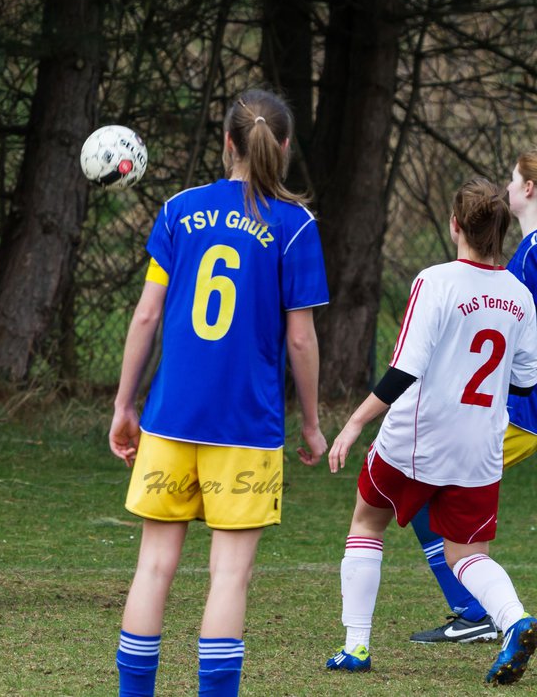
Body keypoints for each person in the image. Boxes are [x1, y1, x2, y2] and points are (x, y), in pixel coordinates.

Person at [110, 89, 329, 697]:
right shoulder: (295, 225)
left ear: (227, 143)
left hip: (170, 419)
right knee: (228, 577)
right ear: (283, 149)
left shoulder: (180, 210)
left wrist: (125, 405)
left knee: (154, 568)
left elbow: (147, 316)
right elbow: (302, 341)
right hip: (247, 428)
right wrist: (311, 424)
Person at [326, 177, 537, 685]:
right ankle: (516, 621)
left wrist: (354, 422)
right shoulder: (519, 294)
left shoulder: (435, 281)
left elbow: (404, 371)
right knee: (468, 553)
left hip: (417, 440)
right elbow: (527, 385)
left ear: (455, 225)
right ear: (502, 229)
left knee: (367, 522)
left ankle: (356, 646)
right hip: (479, 447)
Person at [405, 150, 537, 645]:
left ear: (527, 190)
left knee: (426, 488)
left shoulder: (530, 257)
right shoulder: (525, 253)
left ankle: (476, 612)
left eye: (513, 177)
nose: (507, 184)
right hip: (513, 409)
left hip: (518, 413)